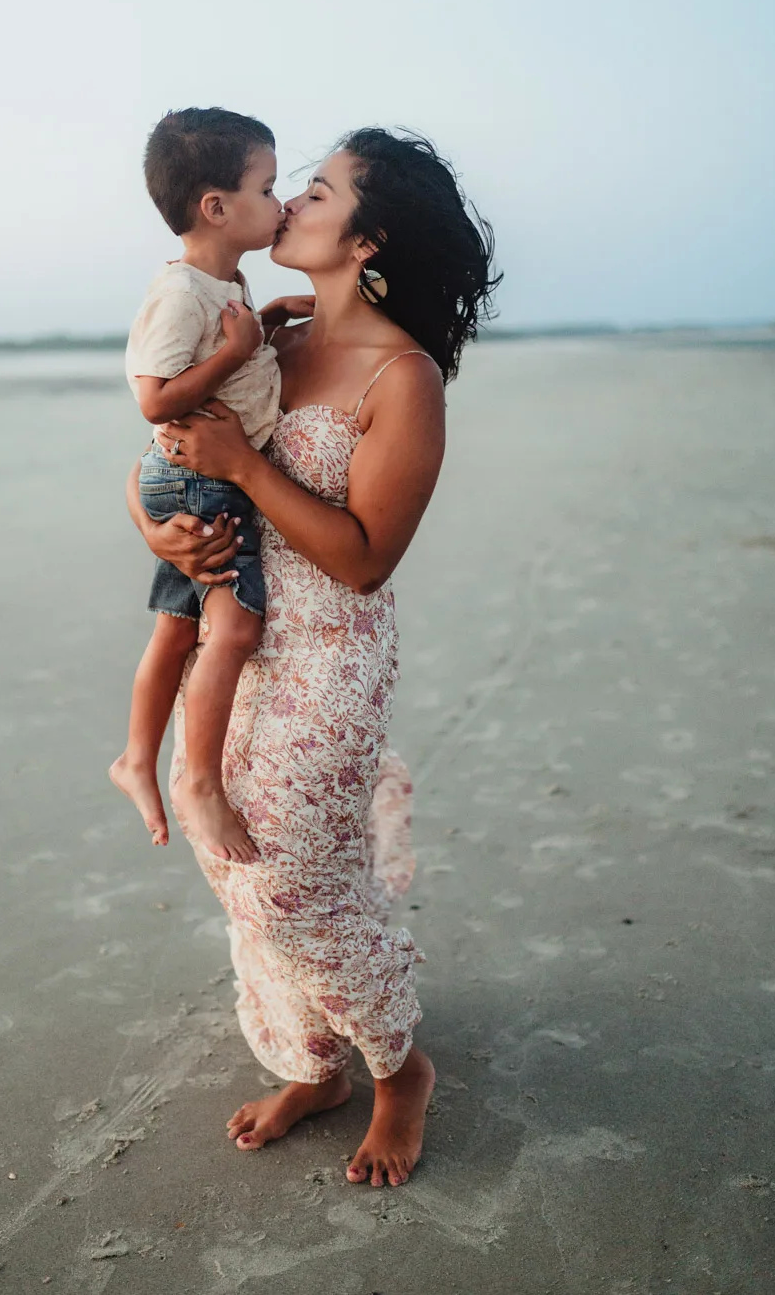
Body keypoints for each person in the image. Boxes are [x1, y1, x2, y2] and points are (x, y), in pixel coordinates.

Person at [127, 127, 500, 1187]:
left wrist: (243, 464)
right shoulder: (263, 342)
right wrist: (156, 528)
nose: (289, 198)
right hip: (232, 646)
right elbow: (159, 461)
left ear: (366, 236)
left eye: (321, 189)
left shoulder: (403, 376)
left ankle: (397, 1070)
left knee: (288, 880)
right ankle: (312, 1060)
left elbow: (365, 559)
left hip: (329, 654)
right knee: (233, 872)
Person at [110, 107, 312, 863]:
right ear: (216, 207)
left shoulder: (223, 280)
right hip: (200, 481)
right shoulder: (183, 292)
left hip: (195, 476)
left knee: (175, 627)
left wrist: (258, 325)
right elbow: (156, 399)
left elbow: (224, 347)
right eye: (269, 186)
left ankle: (135, 757)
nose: (282, 202)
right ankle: (198, 779)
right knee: (232, 628)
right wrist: (236, 352)